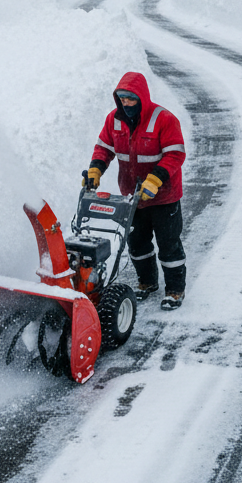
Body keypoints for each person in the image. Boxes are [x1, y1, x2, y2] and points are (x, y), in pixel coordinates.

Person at [85, 71, 187, 310]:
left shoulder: (163, 119)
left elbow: (175, 154)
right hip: (133, 196)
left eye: (131, 98)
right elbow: (103, 147)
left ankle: (174, 289)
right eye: (121, 98)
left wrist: (155, 179)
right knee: (137, 243)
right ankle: (147, 282)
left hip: (163, 197)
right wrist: (95, 169)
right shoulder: (114, 120)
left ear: (141, 96)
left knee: (168, 244)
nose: (126, 103)